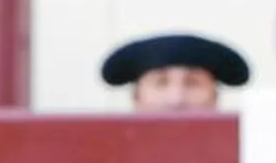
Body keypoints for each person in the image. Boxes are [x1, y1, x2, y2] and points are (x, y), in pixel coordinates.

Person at [100, 32, 250, 112]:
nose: (176, 100)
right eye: (161, 82)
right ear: (136, 97)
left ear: (215, 98)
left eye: (192, 83)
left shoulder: (248, 162)